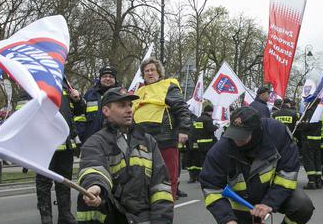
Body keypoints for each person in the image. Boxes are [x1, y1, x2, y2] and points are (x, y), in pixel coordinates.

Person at [76, 87, 178, 224]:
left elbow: (161, 184)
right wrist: (96, 188)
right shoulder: (95, 142)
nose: (129, 109)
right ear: (106, 111)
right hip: (110, 210)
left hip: (138, 215)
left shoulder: (148, 141)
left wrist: (161, 222)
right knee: (85, 200)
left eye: (130, 105)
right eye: (122, 105)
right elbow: (94, 167)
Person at [199, 107, 315, 224]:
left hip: (275, 195)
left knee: (303, 206)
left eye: (242, 136)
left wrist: (270, 202)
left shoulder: (277, 133)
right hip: (243, 206)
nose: (236, 141)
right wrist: (226, 219)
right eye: (234, 134)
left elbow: (288, 173)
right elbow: (211, 187)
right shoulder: (221, 149)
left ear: (256, 131)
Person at [20, 80, 86, 224]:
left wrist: (78, 100)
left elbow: (78, 112)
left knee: (64, 180)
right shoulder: (33, 81)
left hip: (65, 143)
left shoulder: (65, 85)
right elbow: (22, 111)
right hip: (44, 142)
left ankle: (65, 215)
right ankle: (46, 217)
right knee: (44, 182)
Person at [133, 57, 191, 199]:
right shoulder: (139, 91)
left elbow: (181, 107)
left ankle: (165, 208)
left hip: (164, 137)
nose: (150, 73)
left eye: (153, 70)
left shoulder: (168, 86)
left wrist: (183, 130)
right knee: (144, 175)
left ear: (159, 72)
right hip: (141, 140)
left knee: (167, 174)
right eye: (146, 71)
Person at [75, 66, 119, 144]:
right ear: (100, 78)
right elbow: (81, 116)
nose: (108, 78)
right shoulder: (89, 94)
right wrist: (79, 136)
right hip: (91, 140)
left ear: (115, 79)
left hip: (115, 141)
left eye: (111, 77)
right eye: (105, 76)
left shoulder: (121, 94)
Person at [186, 104, 218, 183]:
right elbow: (210, 129)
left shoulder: (198, 119)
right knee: (205, 161)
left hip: (198, 144)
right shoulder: (208, 119)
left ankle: (195, 177)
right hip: (207, 144)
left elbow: (195, 132)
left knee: (198, 161)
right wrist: (216, 126)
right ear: (210, 112)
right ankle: (204, 177)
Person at [296, 100, 323, 189]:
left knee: (309, 160)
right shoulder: (319, 111)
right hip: (317, 140)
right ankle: (318, 181)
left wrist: (299, 124)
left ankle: (312, 182)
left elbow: (308, 125)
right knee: (317, 160)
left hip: (308, 139)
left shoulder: (310, 112)